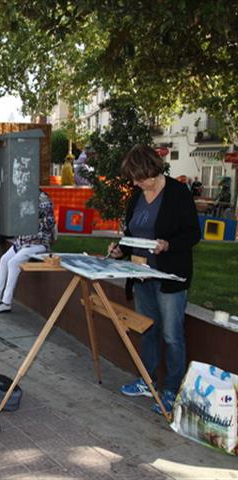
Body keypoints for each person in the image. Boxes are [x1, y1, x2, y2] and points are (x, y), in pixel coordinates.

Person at [107, 145, 200, 414]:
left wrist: (167, 245)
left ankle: (172, 390)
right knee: (147, 329)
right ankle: (147, 380)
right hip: (141, 276)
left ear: (151, 170)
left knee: (172, 335)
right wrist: (120, 250)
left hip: (170, 276)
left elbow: (193, 234)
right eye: (133, 179)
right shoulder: (136, 197)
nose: (135, 183)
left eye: (139, 178)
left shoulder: (177, 193)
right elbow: (132, 233)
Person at [0, 191, 56, 313]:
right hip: (22, 242)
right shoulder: (22, 197)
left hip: (38, 243)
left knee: (13, 263)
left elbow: (48, 223)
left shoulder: (43, 199)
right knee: (4, 259)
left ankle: (6, 302)